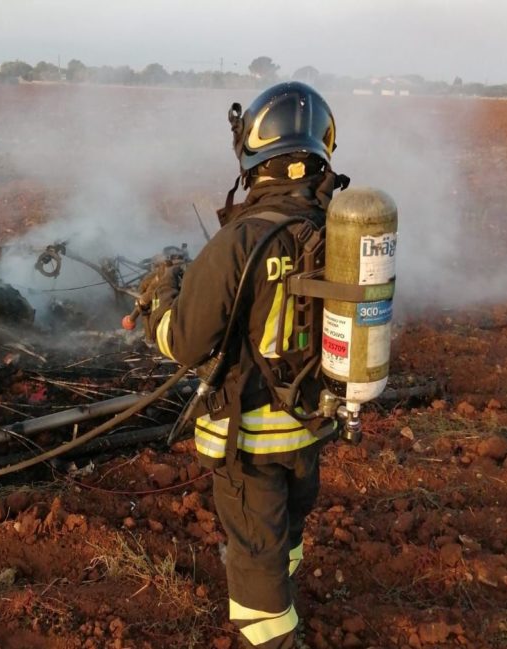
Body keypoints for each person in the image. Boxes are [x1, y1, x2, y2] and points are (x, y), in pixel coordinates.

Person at [144, 81, 350, 649]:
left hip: (251, 444)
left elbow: (185, 342)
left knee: (257, 585)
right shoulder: (338, 233)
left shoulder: (241, 239)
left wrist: (159, 306)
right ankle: (281, 584)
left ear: (255, 150)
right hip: (310, 432)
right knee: (286, 534)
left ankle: (275, 629)